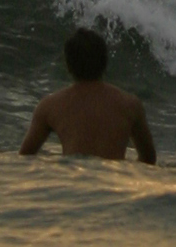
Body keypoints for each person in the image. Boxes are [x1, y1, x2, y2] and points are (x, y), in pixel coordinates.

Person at [20, 29, 156, 162]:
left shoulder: (49, 106)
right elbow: (149, 159)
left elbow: (25, 157)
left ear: (68, 64)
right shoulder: (130, 104)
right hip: (113, 179)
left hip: (72, 180)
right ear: (105, 61)